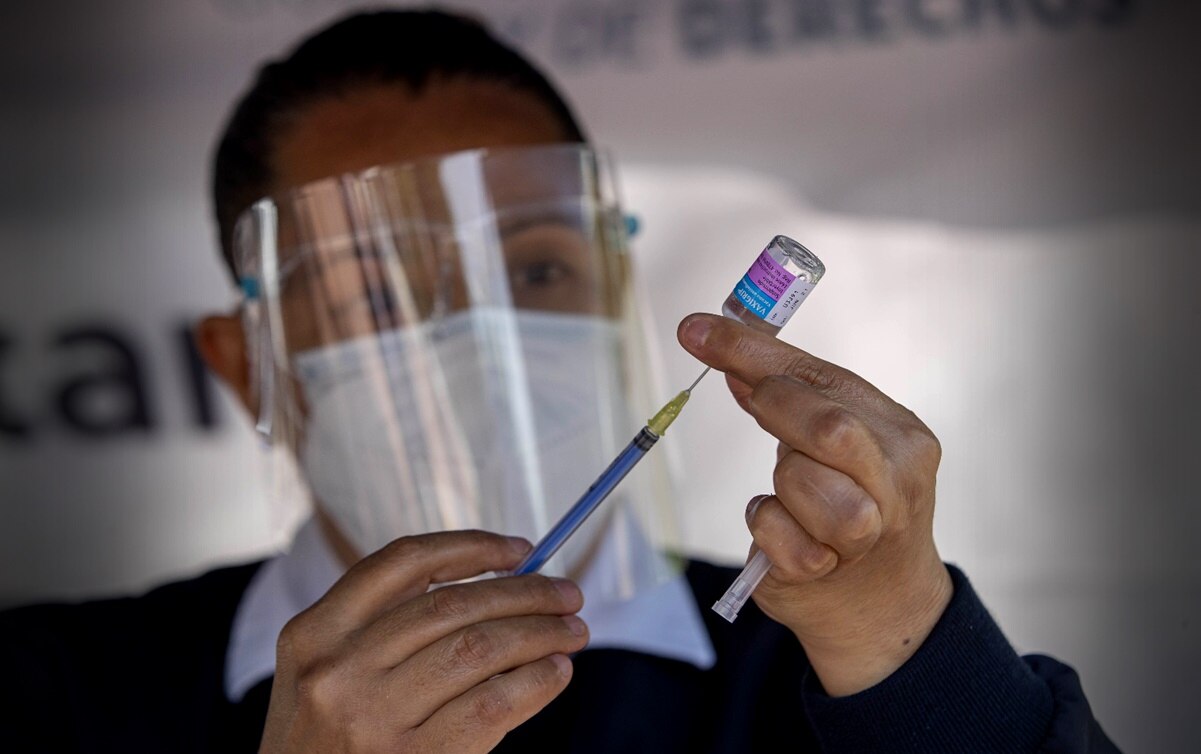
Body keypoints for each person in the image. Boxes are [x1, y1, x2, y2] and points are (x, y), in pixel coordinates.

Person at [0, 9, 1118, 753]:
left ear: (611, 290)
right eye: (375, 296)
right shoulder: (64, 694)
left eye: (536, 265)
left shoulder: (823, 670)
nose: (477, 339)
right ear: (247, 365)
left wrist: (905, 646)